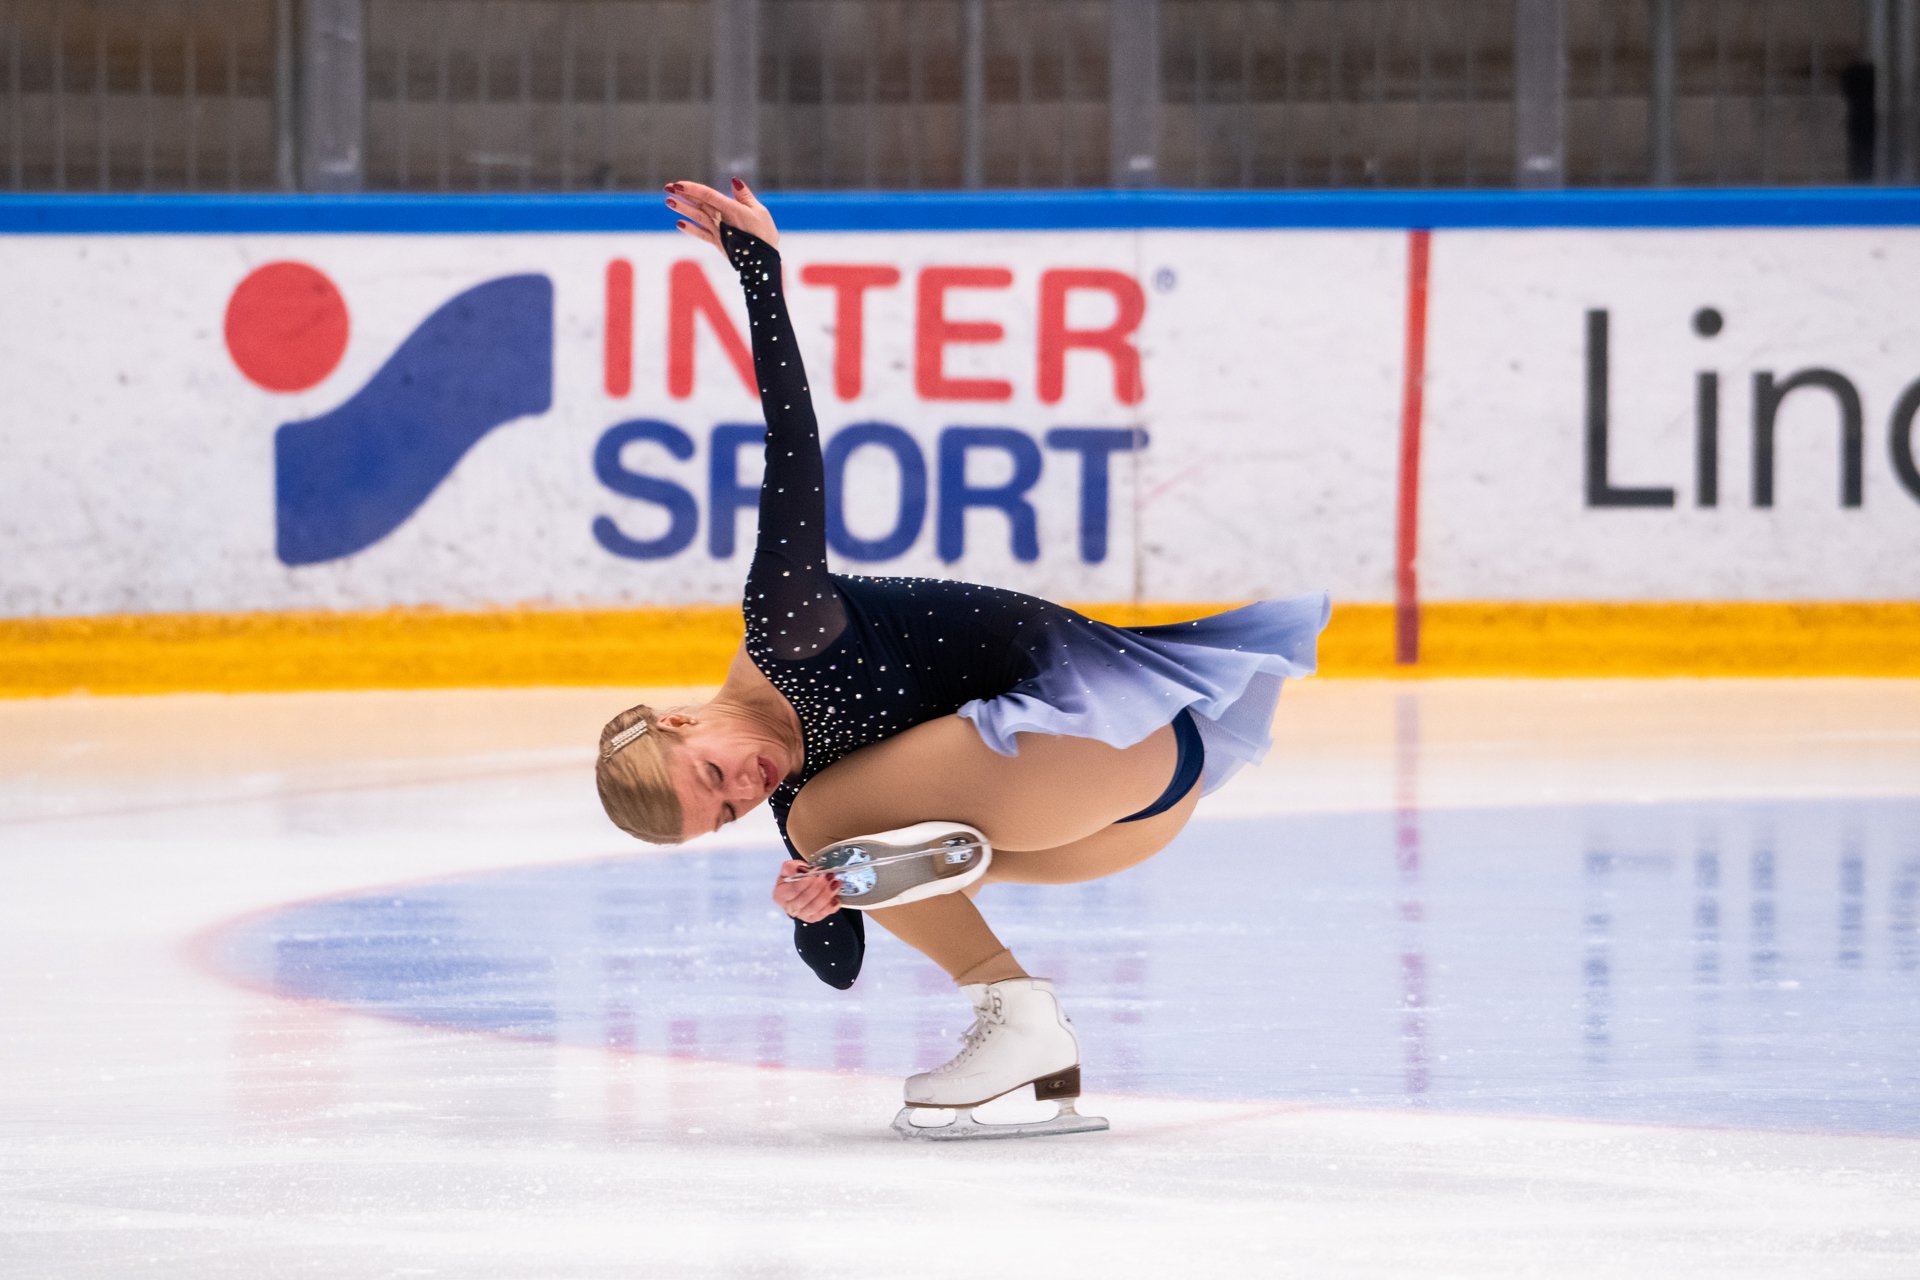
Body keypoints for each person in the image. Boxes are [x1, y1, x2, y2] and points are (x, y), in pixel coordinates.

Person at [595, 178, 1328, 1139]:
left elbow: (793, 450)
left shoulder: (785, 631)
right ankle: (1026, 1034)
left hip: (1121, 742)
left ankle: (1016, 1016)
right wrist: (814, 907)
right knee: (851, 858)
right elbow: (843, 964)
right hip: (1114, 818)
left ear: (679, 717)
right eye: (729, 810)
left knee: (832, 829)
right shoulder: (804, 790)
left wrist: (760, 276)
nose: (749, 787)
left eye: (715, 775)